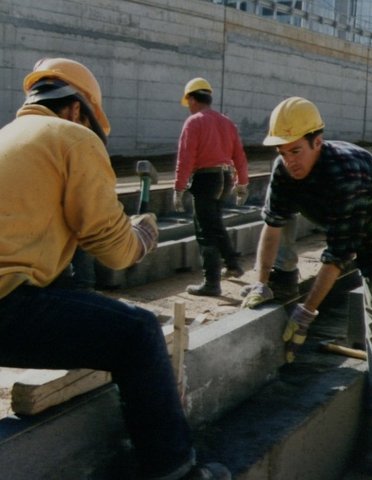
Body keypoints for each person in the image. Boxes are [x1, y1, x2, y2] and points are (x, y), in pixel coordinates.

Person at [0, 58, 230, 480]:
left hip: (12, 300)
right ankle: (175, 470)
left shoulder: (8, 138)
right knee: (138, 333)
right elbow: (114, 250)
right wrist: (142, 234)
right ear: (75, 109)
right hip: (7, 311)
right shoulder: (72, 138)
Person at [241, 97, 372, 475]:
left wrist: (305, 315)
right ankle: (281, 283)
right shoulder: (284, 168)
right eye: (283, 152)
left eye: (297, 151)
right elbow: (271, 227)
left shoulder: (346, 175)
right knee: (281, 217)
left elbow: (337, 257)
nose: (290, 160)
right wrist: (260, 283)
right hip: (346, 227)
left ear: (318, 141)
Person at [173, 78, 249, 297]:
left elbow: (186, 157)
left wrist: (178, 188)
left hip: (206, 179)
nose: (188, 106)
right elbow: (240, 156)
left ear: (192, 99)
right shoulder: (227, 122)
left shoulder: (194, 122)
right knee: (215, 223)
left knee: (205, 230)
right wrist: (242, 182)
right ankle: (233, 264)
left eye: (188, 102)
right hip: (224, 177)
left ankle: (211, 283)